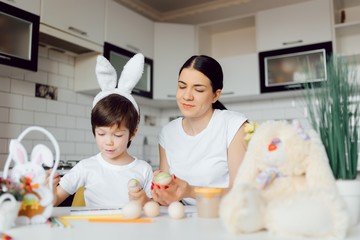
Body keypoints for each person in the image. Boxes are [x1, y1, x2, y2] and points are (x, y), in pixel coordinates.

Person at [51, 54, 153, 208]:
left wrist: (144, 201)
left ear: (133, 132)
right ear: (94, 130)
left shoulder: (144, 170)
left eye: (118, 135)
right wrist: (47, 193)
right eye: (101, 134)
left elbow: (154, 209)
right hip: (94, 231)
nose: (108, 142)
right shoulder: (86, 167)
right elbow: (54, 200)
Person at [151, 55, 248, 206]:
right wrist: (162, 192)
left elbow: (242, 192)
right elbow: (168, 197)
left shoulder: (234, 125)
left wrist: (191, 191)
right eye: (182, 86)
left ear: (215, 95)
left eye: (198, 89)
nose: (187, 96)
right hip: (183, 221)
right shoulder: (168, 133)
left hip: (225, 218)